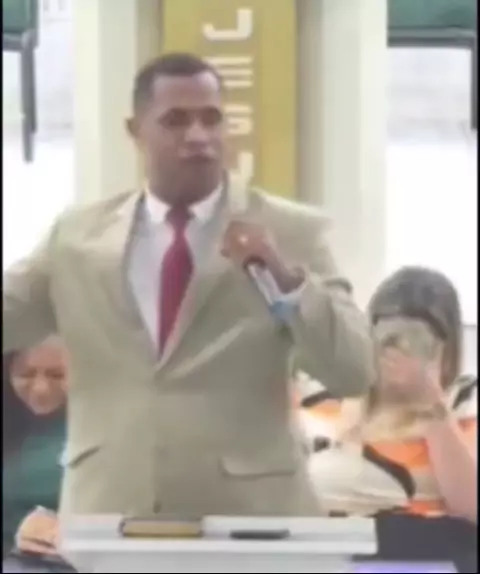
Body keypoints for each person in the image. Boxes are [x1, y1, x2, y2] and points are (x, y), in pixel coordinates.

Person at [3, 52, 374, 518]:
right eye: (175, 120)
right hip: (111, 508)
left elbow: (353, 370)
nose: (198, 135)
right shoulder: (77, 237)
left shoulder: (290, 230)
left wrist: (285, 279)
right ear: (135, 130)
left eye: (211, 119)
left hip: (250, 514)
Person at [301, 267, 477, 571]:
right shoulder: (321, 405)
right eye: (389, 336)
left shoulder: (465, 406)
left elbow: (470, 506)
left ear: (446, 350)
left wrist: (431, 404)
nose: (399, 350)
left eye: (418, 339)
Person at [2, 338, 76, 573]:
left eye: (57, 375)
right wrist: (19, 527)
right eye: (26, 375)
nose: (41, 388)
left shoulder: (103, 427)